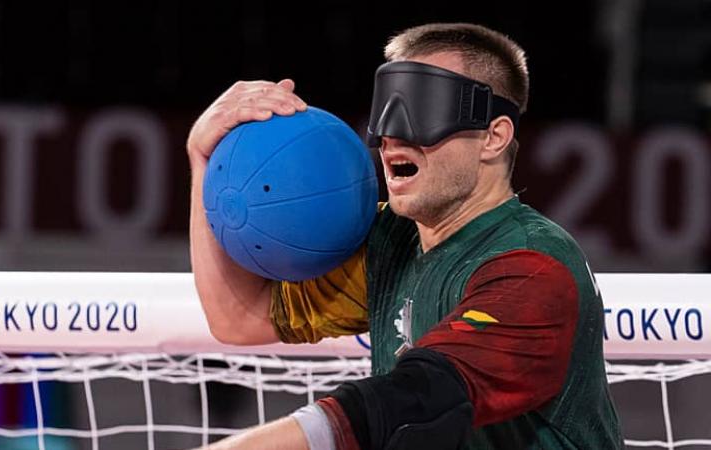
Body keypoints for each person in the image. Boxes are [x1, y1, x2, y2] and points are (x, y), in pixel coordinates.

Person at [187, 22, 623, 450]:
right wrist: (204, 158)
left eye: (423, 109)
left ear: (494, 136)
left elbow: (419, 404)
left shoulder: (531, 266)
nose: (392, 135)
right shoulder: (392, 243)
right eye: (386, 110)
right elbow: (239, 318)